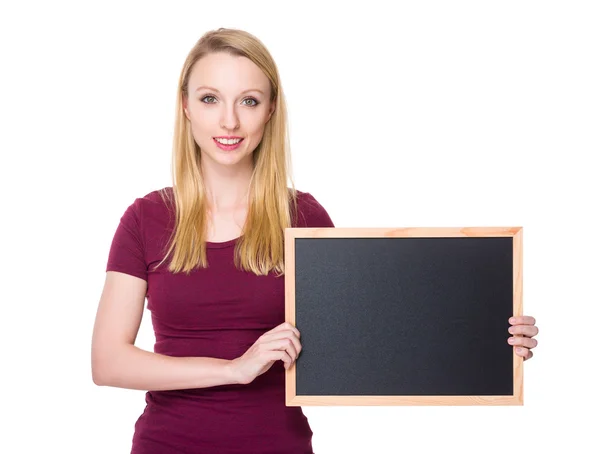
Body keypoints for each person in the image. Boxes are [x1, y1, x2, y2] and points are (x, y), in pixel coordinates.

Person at [91, 28, 540, 454]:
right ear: (186, 105)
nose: (229, 120)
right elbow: (108, 361)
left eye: (248, 100)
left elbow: (371, 333)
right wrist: (234, 369)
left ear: (270, 110)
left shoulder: (303, 218)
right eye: (210, 99)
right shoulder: (144, 219)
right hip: (168, 444)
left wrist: (489, 342)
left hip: (277, 444)